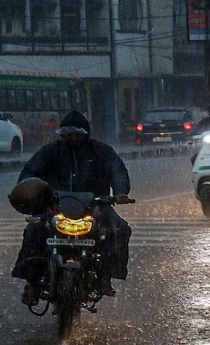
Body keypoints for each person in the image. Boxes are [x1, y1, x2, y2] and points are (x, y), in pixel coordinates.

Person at [12, 110, 132, 305]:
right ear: (62, 134)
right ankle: (32, 283)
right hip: (56, 206)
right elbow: (30, 171)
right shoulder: (50, 151)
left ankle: (106, 276)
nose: (73, 138)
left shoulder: (101, 151)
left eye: (77, 134)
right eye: (68, 134)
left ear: (86, 134)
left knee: (119, 229)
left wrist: (120, 192)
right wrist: (27, 188)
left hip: (95, 205)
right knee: (34, 231)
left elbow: (117, 170)